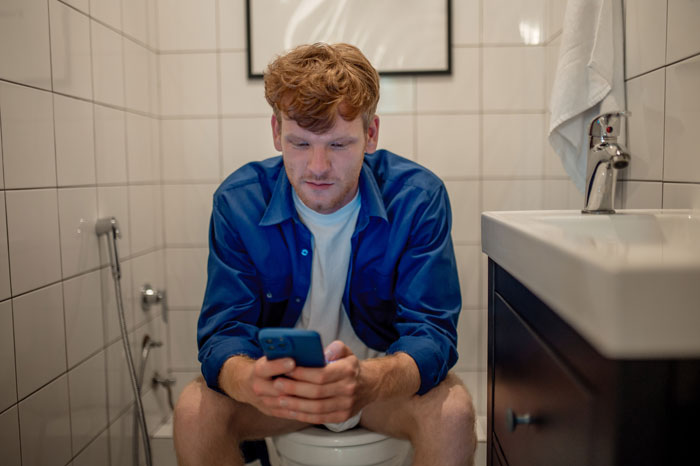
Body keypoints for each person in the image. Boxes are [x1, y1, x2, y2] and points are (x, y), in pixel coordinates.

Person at [173, 42, 476, 466]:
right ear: (276, 132)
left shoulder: (418, 199)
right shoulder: (238, 202)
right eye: (299, 143)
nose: (317, 167)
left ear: (370, 135)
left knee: (455, 413)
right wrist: (250, 379)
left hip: (377, 392)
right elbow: (223, 334)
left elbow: (433, 334)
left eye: (337, 146)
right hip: (279, 395)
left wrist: (370, 380)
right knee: (193, 411)